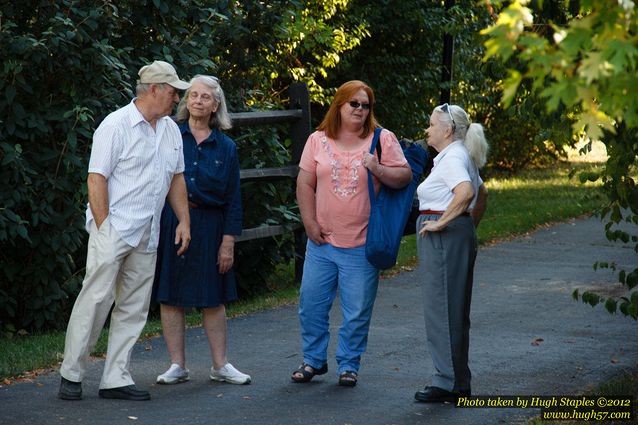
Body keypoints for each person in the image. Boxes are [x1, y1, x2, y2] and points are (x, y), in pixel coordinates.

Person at [58, 60, 192, 401]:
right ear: (154, 89)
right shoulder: (115, 125)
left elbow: (176, 178)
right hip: (114, 228)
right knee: (96, 300)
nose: (177, 98)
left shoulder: (170, 130)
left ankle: (116, 378)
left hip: (148, 231)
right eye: (174, 91)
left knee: (133, 307)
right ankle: (71, 374)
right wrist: (104, 229)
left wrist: (184, 221)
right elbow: (96, 178)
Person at [293, 80, 412, 387]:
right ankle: (313, 360)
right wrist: (309, 222)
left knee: (357, 311)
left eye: (366, 105)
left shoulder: (382, 139)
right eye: (354, 104)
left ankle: (349, 364)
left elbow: (404, 176)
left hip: (362, 243)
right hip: (321, 242)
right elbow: (305, 184)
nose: (360, 110)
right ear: (339, 106)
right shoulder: (317, 140)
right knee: (311, 304)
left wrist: (377, 168)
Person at [153, 75, 251, 386]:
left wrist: (228, 242)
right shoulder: (169, 134)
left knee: (213, 297)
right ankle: (176, 365)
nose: (197, 101)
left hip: (211, 225)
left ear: (215, 105)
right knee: (170, 294)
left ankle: (220, 365)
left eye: (205, 97)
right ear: (186, 101)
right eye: (193, 95)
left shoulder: (226, 147)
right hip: (172, 220)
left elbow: (233, 198)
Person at [414, 103, 488, 403]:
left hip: (445, 236)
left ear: (447, 130)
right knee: (454, 309)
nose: (428, 129)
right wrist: (468, 225)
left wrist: (443, 222)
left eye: (431, 124)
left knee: (441, 308)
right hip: (457, 234)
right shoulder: (460, 155)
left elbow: (467, 192)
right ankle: (459, 382)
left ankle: (445, 382)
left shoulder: (453, 157)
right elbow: (482, 193)